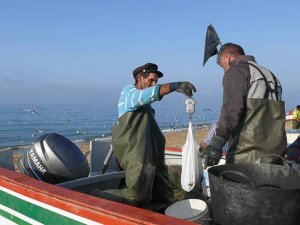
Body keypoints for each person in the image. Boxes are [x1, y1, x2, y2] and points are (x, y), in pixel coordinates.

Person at [111, 63, 196, 207]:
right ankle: (100, 196)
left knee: (164, 193)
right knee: (136, 196)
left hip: (153, 156)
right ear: (139, 78)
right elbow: (143, 96)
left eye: (156, 82)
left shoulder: (147, 107)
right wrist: (174, 86)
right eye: (151, 80)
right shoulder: (129, 93)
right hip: (136, 157)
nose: (154, 83)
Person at [201, 43, 287, 167]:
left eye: (222, 66)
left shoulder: (236, 72)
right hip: (276, 157)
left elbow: (231, 110)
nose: (224, 71)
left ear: (227, 58)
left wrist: (217, 143)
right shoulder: (271, 75)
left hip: (246, 157)